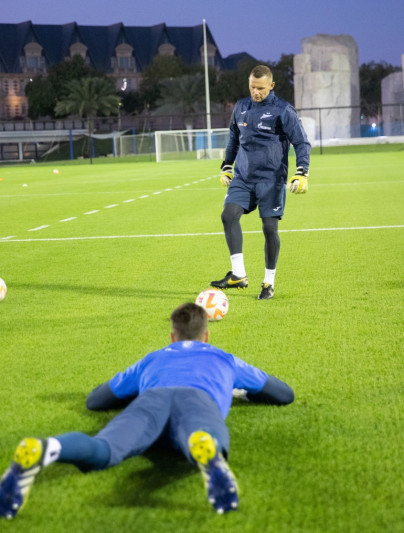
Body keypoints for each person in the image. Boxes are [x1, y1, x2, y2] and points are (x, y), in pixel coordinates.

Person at [0, 303, 294, 519]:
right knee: (202, 435)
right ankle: (206, 451)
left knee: (103, 448)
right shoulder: (225, 358)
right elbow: (283, 394)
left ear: (172, 337)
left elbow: (96, 401)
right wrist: (241, 390)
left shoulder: (151, 360)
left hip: (151, 400)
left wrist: (136, 392)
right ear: (206, 336)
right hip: (198, 400)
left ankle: (49, 447)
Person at [211, 64, 311, 300]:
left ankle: (268, 283)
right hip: (244, 177)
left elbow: (301, 142)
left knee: (269, 228)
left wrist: (301, 171)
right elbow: (234, 137)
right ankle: (238, 275)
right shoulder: (241, 107)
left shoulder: (283, 110)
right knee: (228, 215)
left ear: (271, 86)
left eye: (261, 89)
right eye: (252, 87)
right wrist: (227, 165)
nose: (256, 92)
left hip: (271, 179)